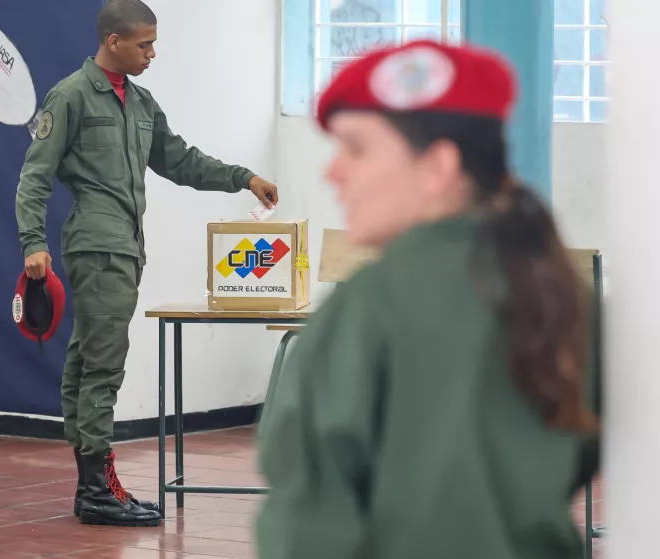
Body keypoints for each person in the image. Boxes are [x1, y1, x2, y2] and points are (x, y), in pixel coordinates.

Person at [255, 40, 601, 558]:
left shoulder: (366, 309)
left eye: (356, 148)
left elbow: (308, 518)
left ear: (438, 166)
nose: (334, 172)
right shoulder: (567, 301)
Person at [14, 0, 279, 528]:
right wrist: (32, 243)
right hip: (97, 246)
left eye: (154, 43)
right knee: (103, 367)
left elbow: (180, 161)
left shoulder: (140, 103)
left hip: (125, 247)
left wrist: (243, 177)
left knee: (88, 364)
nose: (152, 53)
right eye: (144, 44)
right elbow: (34, 176)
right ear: (113, 41)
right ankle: (96, 489)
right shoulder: (70, 97)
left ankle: (91, 486)